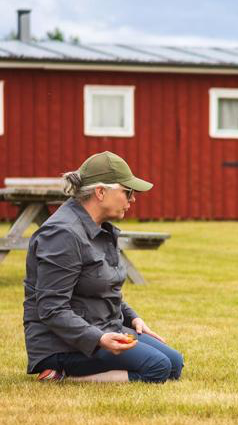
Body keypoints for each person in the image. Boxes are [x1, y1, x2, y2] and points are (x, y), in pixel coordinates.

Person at [24, 151, 184, 383]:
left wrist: (132, 319)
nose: (133, 199)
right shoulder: (62, 234)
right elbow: (51, 308)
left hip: (104, 328)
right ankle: (60, 374)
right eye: (127, 192)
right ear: (100, 192)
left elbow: (101, 287)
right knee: (157, 368)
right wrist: (98, 338)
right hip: (62, 345)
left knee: (174, 364)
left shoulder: (100, 228)